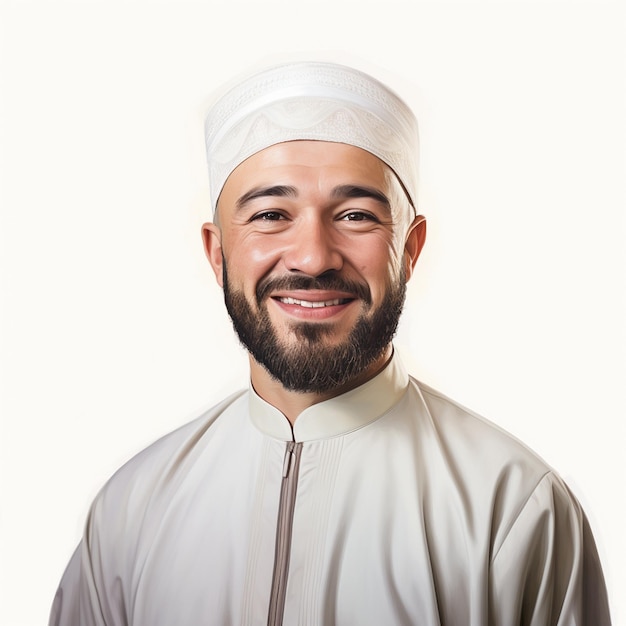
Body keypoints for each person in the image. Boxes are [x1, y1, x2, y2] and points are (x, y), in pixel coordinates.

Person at [49, 61, 611, 626]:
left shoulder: (513, 507)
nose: (314, 256)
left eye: (356, 215)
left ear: (409, 249)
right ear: (217, 252)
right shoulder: (131, 512)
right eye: (271, 215)